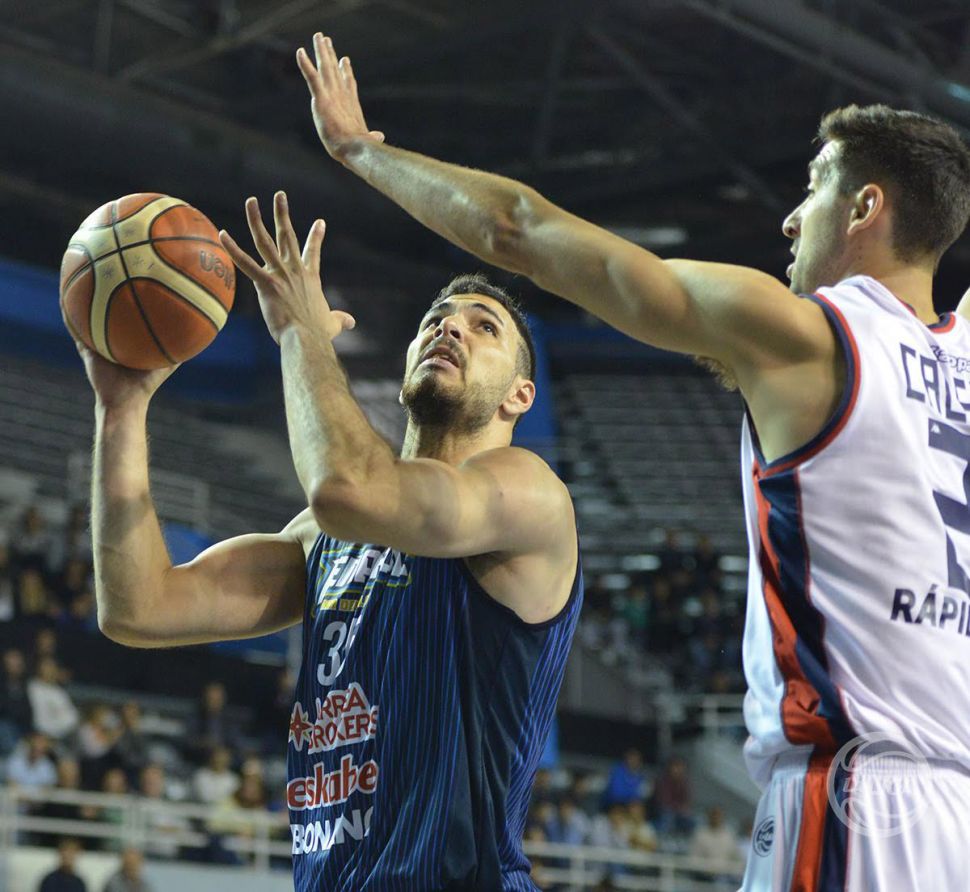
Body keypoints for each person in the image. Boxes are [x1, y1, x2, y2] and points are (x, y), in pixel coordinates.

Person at [296, 33, 970, 890]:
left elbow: (520, 228)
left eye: (815, 188)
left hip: (856, 805)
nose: (792, 219)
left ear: (866, 207)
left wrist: (362, 151)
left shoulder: (807, 336)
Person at [74, 191, 580, 889]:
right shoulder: (323, 540)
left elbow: (347, 486)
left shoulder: (529, 495)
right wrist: (121, 410)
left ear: (520, 395)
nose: (450, 327)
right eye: (436, 319)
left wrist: (299, 332)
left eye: (483, 326)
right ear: (404, 375)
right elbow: (139, 607)